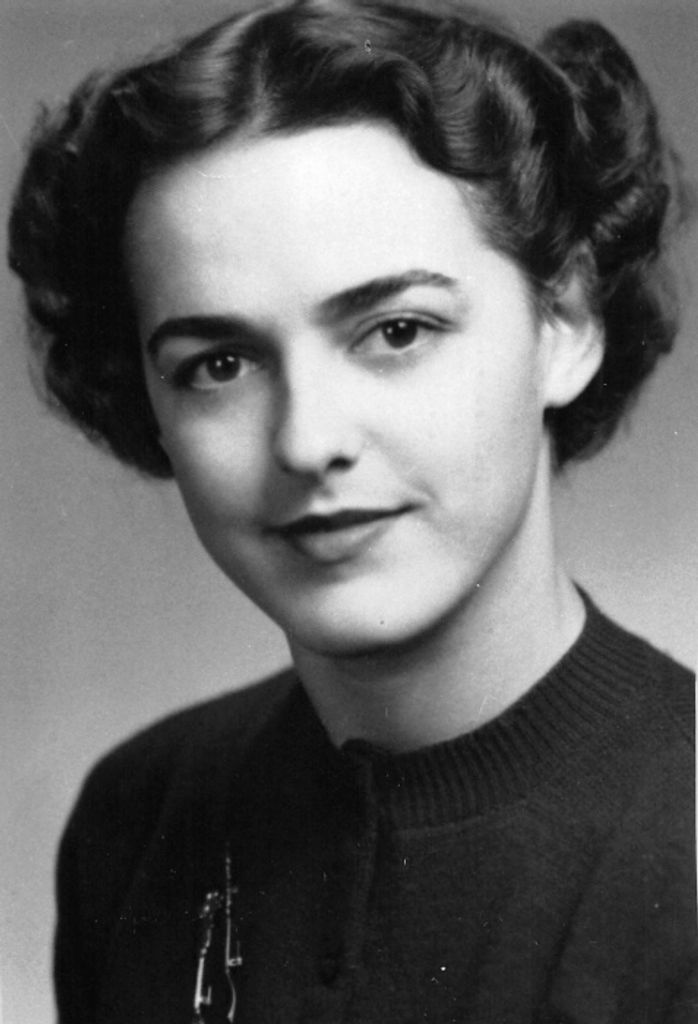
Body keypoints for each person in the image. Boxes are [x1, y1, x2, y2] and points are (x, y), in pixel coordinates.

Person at [7, 0, 696, 1021]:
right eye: (219, 364)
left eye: (396, 331)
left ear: (564, 323)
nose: (305, 440)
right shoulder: (139, 816)